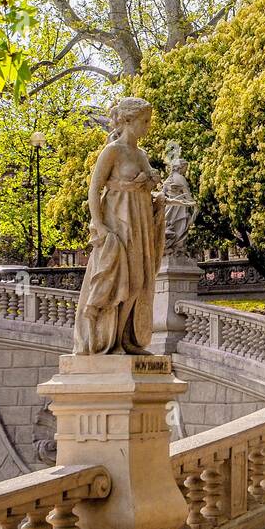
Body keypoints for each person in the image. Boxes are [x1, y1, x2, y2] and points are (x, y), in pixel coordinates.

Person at [73, 97, 164, 355]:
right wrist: (98, 225)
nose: (147, 126)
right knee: (121, 282)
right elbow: (94, 188)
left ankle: (124, 340)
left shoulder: (141, 154)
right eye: (144, 121)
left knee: (140, 282)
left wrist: (154, 191)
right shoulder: (112, 151)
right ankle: (108, 342)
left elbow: (149, 186)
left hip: (140, 221)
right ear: (128, 121)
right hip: (118, 221)